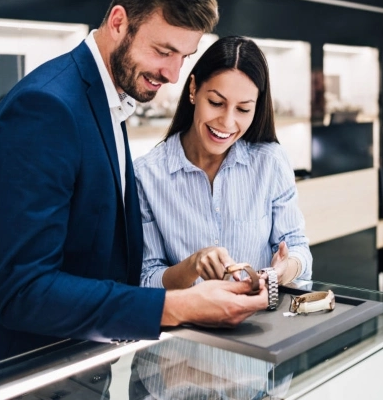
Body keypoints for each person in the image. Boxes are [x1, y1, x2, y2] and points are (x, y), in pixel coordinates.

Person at [0, 0, 267, 366]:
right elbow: (23, 291)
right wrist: (177, 306)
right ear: (117, 22)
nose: (174, 74)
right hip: (28, 374)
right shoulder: (45, 108)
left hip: (79, 366)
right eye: (164, 51)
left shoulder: (107, 101)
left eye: (185, 56)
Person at [134, 36, 312, 290]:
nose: (227, 123)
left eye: (243, 109)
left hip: (261, 325)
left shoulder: (270, 162)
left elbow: (297, 248)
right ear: (193, 89)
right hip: (189, 327)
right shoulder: (146, 175)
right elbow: (146, 278)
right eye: (216, 103)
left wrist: (284, 269)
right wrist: (192, 266)